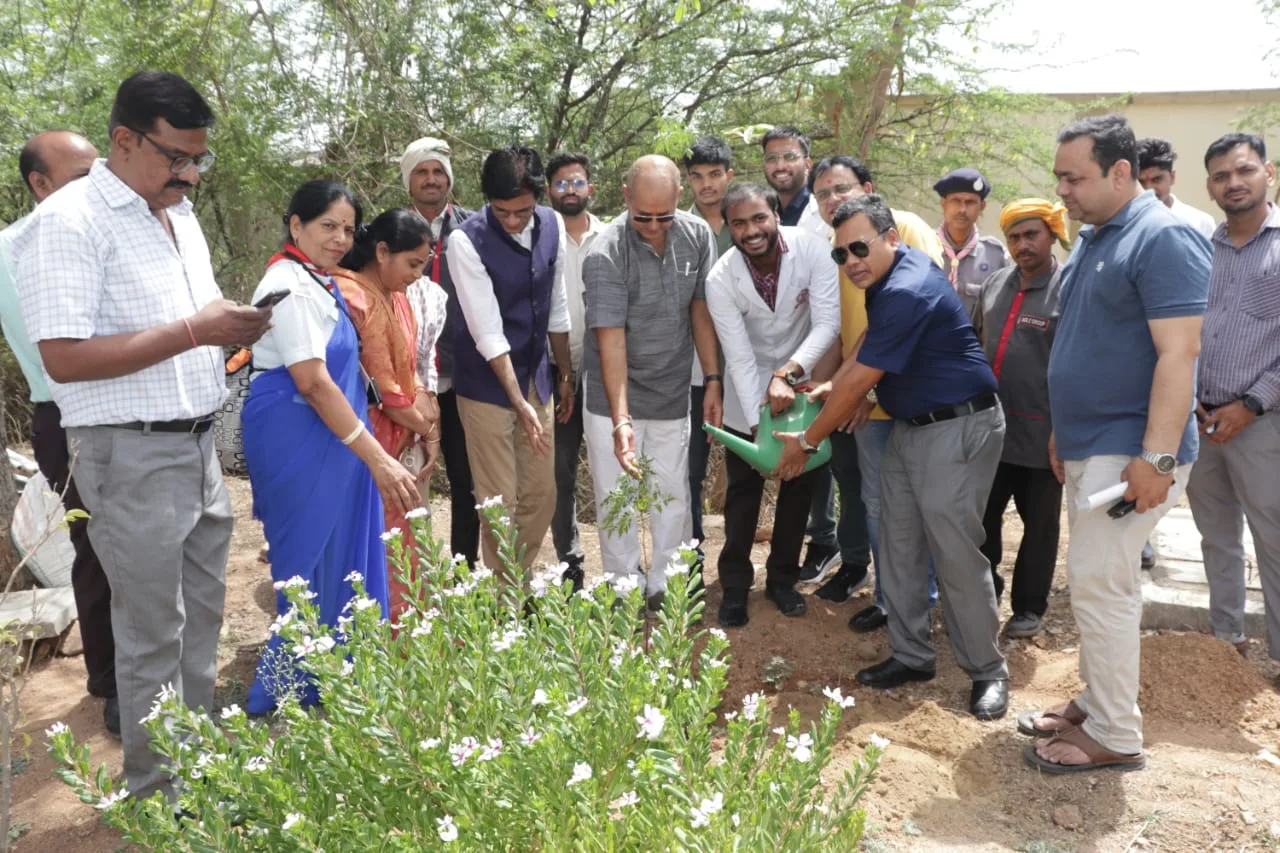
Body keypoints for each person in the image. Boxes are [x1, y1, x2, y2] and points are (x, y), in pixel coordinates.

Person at [14, 71, 274, 801]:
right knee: (153, 630)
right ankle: (161, 797)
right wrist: (198, 329)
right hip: (127, 451)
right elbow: (62, 355)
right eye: (175, 158)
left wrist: (230, 322)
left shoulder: (175, 211)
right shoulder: (67, 223)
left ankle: (195, 761)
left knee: (200, 618)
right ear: (124, 141)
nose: (189, 175)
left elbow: (183, 313)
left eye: (198, 160)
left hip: (193, 447)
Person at [773, 194, 1010, 721]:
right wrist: (832, 384)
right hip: (911, 425)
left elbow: (864, 376)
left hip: (958, 426)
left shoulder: (906, 286)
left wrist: (809, 439)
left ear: (891, 239)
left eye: (860, 247)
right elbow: (864, 352)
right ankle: (911, 655)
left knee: (953, 551)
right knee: (897, 545)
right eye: (841, 254)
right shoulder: (886, 278)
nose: (852, 261)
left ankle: (988, 670)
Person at [1023, 114, 1209, 774]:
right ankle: (1097, 698)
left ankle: (1116, 732)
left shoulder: (1164, 236)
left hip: (1134, 448)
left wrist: (1157, 457)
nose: (1063, 192)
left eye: (1074, 178)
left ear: (1121, 172)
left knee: (1102, 585)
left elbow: (1180, 352)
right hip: (1090, 445)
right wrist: (1060, 434)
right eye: (1060, 178)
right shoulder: (1099, 238)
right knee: (1097, 580)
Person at [243, 182, 419, 713]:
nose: (341, 238)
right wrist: (378, 456)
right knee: (307, 561)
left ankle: (342, 677)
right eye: (328, 226)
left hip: (335, 436)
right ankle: (291, 689)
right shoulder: (288, 284)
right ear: (295, 225)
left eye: (348, 228)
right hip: (298, 436)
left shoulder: (317, 280)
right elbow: (314, 382)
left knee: (343, 555)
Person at [0, 131, 116, 735]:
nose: (96, 186)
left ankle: (126, 672)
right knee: (100, 547)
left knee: (117, 546)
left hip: (103, 411)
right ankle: (113, 680)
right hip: (67, 413)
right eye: (79, 176)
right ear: (39, 186)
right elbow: (69, 350)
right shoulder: (16, 250)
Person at [803, 156, 942, 629]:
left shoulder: (903, 227)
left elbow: (917, 315)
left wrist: (861, 391)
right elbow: (844, 330)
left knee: (918, 507)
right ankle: (892, 601)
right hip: (864, 402)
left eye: (841, 189)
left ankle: (917, 601)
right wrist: (834, 388)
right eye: (822, 194)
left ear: (868, 187)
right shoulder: (837, 249)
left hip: (909, 396)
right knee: (879, 504)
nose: (832, 200)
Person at [582, 155, 722, 611]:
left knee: (673, 493)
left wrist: (713, 379)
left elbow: (700, 311)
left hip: (671, 387)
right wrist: (621, 421)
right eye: (644, 216)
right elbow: (611, 342)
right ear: (625, 198)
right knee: (616, 495)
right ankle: (624, 586)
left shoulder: (697, 234)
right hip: (611, 397)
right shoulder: (604, 250)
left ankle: (669, 585)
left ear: (680, 198)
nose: (655, 226)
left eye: (664, 216)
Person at [705, 183, 839, 627]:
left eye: (759, 218)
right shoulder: (720, 278)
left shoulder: (813, 249)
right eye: (739, 223)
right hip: (750, 390)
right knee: (743, 495)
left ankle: (782, 580)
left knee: (798, 487)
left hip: (803, 380)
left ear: (775, 213)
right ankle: (736, 587)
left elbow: (827, 324)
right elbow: (739, 356)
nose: (751, 230)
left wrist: (789, 374)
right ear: (728, 227)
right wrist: (763, 427)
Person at [450, 145, 573, 576]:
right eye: (502, 211)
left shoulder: (553, 224)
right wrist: (517, 403)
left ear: (539, 198)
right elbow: (486, 331)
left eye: (522, 211)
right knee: (498, 500)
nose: (513, 221)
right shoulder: (465, 240)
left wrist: (564, 375)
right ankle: (506, 600)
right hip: (486, 387)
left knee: (541, 494)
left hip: (536, 379)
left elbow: (556, 305)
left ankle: (513, 582)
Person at [1188, 132, 1280, 662]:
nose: (1233, 182)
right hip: (1203, 422)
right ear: (1210, 186)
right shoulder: (1203, 248)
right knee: (1216, 538)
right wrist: (1195, 397)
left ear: (1269, 174)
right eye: (1221, 175)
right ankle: (1227, 645)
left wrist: (1251, 404)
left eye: (1244, 171)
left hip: (1263, 423)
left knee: (1273, 539)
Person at [333, 208, 440, 618]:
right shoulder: (355, 295)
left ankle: (403, 644)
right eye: (413, 264)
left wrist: (427, 429)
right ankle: (380, 642)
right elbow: (387, 394)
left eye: (423, 265)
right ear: (381, 251)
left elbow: (409, 375)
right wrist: (428, 424)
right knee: (378, 542)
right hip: (366, 441)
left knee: (404, 541)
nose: (417, 275)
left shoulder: (396, 298)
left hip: (401, 435)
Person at [972, 199, 1068, 639]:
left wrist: (1062, 432)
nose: (1022, 245)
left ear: (1051, 235)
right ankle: (984, 590)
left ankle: (1029, 608)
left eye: (1032, 235)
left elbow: (1074, 366)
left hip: (1043, 433)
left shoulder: (1068, 288)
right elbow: (973, 343)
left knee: (1040, 525)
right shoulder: (995, 285)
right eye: (1014, 237)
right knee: (982, 517)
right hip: (990, 429)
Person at [400, 136, 479, 565]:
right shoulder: (389, 229)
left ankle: (465, 569)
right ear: (408, 180)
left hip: (465, 372)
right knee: (412, 473)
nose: (431, 180)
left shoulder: (474, 228)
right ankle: (417, 570)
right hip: (409, 378)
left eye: (437, 172)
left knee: (467, 478)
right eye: (421, 172)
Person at [545, 152, 606, 589]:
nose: (570, 191)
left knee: (609, 467)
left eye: (577, 183)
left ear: (591, 189)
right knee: (560, 469)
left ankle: (622, 563)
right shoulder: (540, 234)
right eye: (562, 184)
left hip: (606, 366)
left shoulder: (612, 235)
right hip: (553, 368)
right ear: (550, 191)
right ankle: (570, 560)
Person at [682, 136, 735, 569]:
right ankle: (690, 556)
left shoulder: (748, 223)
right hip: (693, 371)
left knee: (745, 468)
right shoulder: (677, 227)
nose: (706, 184)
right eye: (697, 176)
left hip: (746, 369)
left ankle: (736, 561)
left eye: (714, 174)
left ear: (729, 176)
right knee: (689, 468)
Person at [934, 167, 1012, 314]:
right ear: (943, 203)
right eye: (955, 201)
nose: (962, 209)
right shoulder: (924, 246)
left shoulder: (995, 256)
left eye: (970, 202)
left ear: (982, 206)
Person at [1137, 137, 1216, 239]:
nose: (1148, 189)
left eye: (1156, 180)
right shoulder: (1123, 224)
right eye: (1141, 182)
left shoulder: (1200, 223)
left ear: (1172, 177)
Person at [762, 125, 827, 237]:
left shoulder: (826, 208)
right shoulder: (766, 209)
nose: (780, 166)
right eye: (771, 158)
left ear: (808, 164)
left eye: (790, 157)